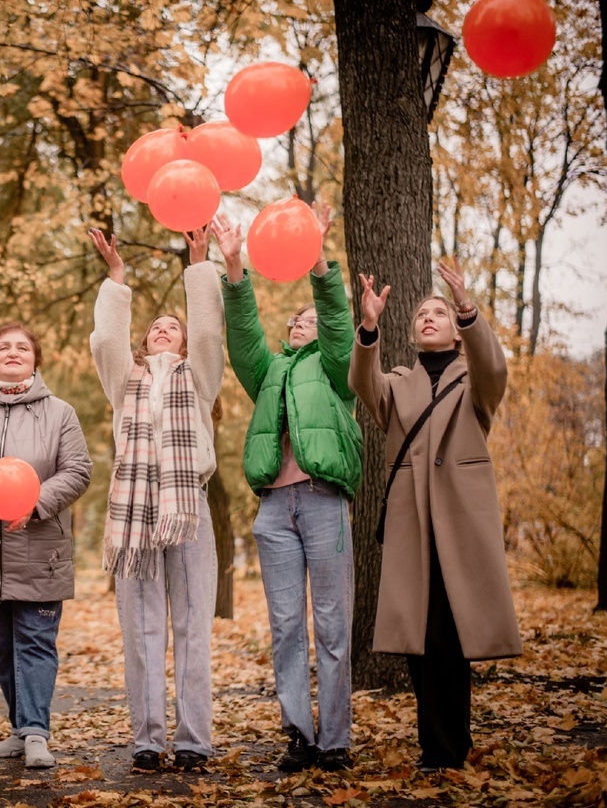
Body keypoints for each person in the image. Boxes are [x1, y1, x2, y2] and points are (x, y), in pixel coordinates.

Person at [349, 258, 521, 770]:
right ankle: (436, 745)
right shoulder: (397, 383)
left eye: (439, 313)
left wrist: (467, 306)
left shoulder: (474, 381)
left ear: (454, 330)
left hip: (461, 524)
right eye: (422, 313)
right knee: (418, 643)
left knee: (451, 637)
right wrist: (369, 326)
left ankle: (449, 747)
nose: (429, 317)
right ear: (412, 330)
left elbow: (495, 368)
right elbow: (362, 381)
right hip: (410, 526)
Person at [211, 204, 363, 773]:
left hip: (324, 503)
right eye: (295, 321)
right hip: (275, 510)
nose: (302, 324)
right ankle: (298, 732)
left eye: (310, 320)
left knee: (332, 624)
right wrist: (234, 267)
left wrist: (318, 258)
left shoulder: (337, 370)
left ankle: (337, 739)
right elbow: (245, 335)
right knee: (286, 627)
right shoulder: (270, 371)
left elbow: (340, 323)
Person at [88, 225, 224, 772]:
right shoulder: (126, 382)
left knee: (192, 628)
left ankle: (193, 739)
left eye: (174, 327)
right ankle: (147, 738)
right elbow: (104, 342)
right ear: (143, 343)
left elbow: (214, 334)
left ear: (184, 342)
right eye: (155, 328)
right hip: (135, 515)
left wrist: (199, 265)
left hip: (190, 510)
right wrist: (116, 280)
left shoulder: (199, 378)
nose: (164, 331)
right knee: (141, 631)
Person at [0, 322, 92, 770]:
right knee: (1, 647)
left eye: (22, 347)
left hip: (38, 547)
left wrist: (36, 501)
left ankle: (36, 733)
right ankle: (20, 727)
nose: (12, 352)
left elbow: (78, 469)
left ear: (35, 359)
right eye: (3, 346)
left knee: (35, 642)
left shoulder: (60, 412)